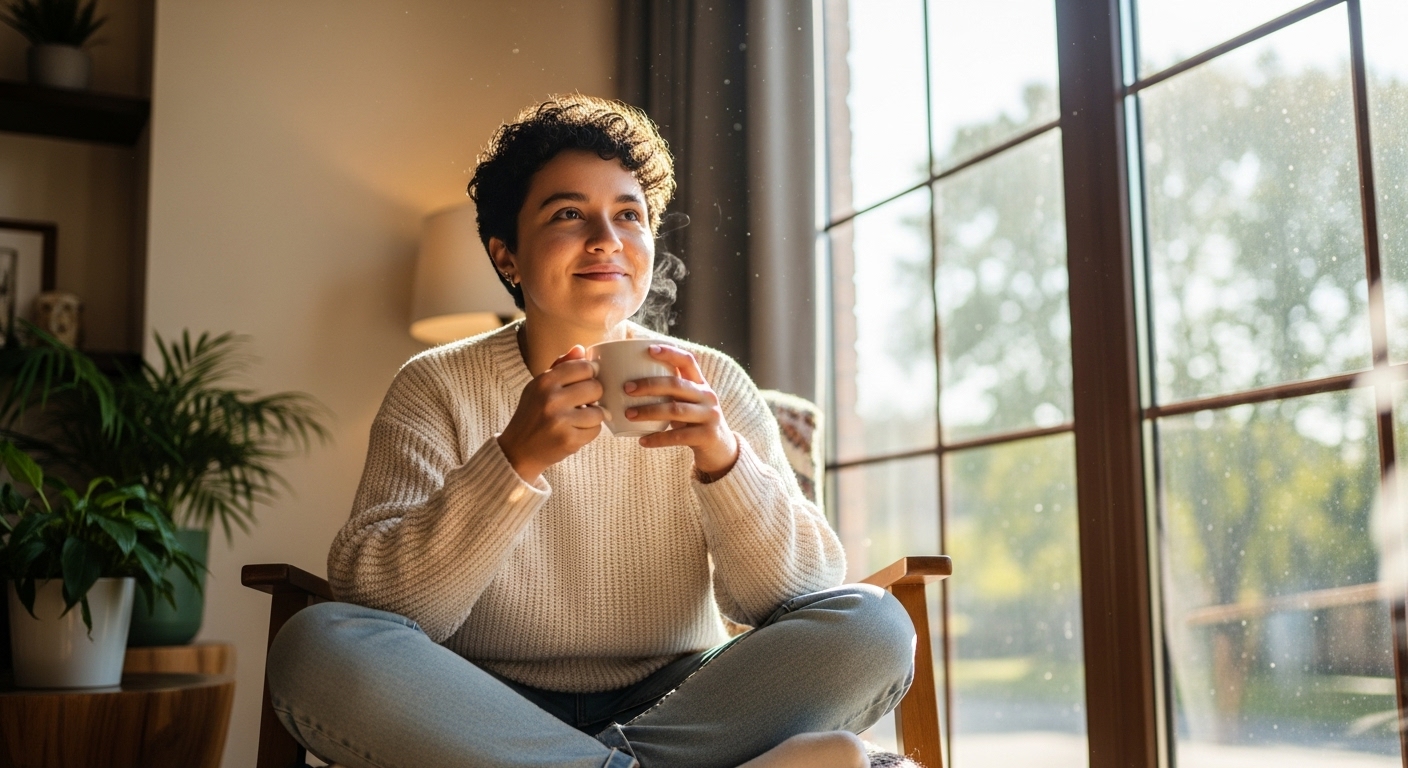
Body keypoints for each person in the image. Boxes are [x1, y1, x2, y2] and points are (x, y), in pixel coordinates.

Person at [266, 95, 915, 768]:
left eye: (629, 215)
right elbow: (381, 603)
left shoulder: (712, 379)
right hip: (477, 708)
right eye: (568, 214)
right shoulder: (435, 386)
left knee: (874, 627)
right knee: (316, 646)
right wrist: (513, 461)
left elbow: (795, 593)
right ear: (507, 257)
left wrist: (723, 460)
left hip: (687, 703)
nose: (607, 238)